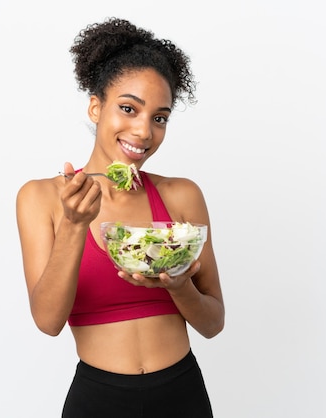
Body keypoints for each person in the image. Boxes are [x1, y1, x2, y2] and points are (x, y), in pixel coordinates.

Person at [16, 17, 225, 418]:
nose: (143, 132)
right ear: (96, 107)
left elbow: (213, 322)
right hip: (99, 399)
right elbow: (48, 320)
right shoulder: (41, 198)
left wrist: (179, 287)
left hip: (182, 394)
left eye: (159, 117)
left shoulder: (181, 195)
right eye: (128, 108)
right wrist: (75, 225)